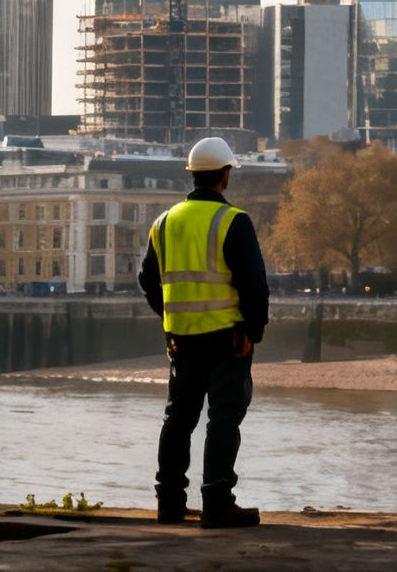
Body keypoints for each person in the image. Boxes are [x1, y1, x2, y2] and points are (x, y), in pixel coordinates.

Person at [138, 136, 270, 528]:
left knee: (178, 418)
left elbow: (148, 280)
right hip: (227, 337)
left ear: (193, 175)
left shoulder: (163, 223)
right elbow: (254, 286)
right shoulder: (234, 221)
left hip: (181, 339)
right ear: (226, 175)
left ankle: (170, 503)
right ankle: (216, 503)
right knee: (224, 417)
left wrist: (169, 316)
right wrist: (252, 331)